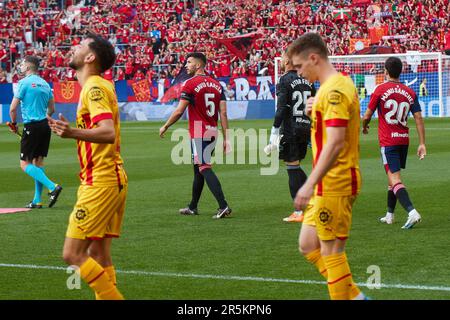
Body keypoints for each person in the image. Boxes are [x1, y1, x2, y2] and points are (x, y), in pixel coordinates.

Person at [47, 33, 127, 300]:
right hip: (111, 178)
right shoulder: (99, 86)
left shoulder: (93, 87)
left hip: (101, 181)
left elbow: (107, 132)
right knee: (98, 253)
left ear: (90, 57)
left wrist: (71, 134)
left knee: (73, 254)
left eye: (80, 46)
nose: (74, 48)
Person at [288, 33, 367, 300]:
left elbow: (335, 143)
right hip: (326, 182)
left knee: (332, 253)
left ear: (314, 58)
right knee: (308, 245)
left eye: (299, 67)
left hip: (336, 180)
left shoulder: (333, 90)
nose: (298, 73)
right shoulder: (329, 88)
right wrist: (315, 110)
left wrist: (308, 184)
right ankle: (356, 297)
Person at [159, 52, 232, 219]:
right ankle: (193, 206)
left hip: (199, 133)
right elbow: (224, 113)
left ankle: (223, 205)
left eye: (189, 62)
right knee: (198, 169)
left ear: (198, 65)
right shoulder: (217, 84)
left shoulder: (190, 84)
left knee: (204, 167)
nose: (186, 65)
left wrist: (166, 125)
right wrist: (226, 137)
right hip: (212, 132)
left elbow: (179, 111)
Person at [362, 57, 425, 229]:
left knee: (395, 179)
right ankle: (389, 215)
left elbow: (367, 115)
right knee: (392, 180)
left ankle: (412, 212)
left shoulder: (380, 89)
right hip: (403, 140)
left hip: (388, 142)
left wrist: (365, 126)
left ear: (386, 71)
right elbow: (418, 117)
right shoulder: (410, 92)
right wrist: (422, 143)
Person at [266, 52, 315, 223]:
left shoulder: (285, 80)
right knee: (296, 166)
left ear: (287, 60)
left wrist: (274, 132)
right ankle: (314, 193)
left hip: (291, 129)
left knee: (292, 168)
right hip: (306, 127)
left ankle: (299, 212)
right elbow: (314, 105)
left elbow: (281, 109)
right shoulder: (307, 80)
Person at [9, 55, 62, 209]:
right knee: (37, 163)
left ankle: (53, 187)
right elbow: (52, 109)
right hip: (45, 126)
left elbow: (13, 108)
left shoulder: (23, 83)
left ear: (28, 66)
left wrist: (13, 124)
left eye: (23, 64)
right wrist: (44, 117)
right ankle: (37, 200)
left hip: (31, 126)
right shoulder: (45, 84)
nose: (21, 66)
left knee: (24, 164)